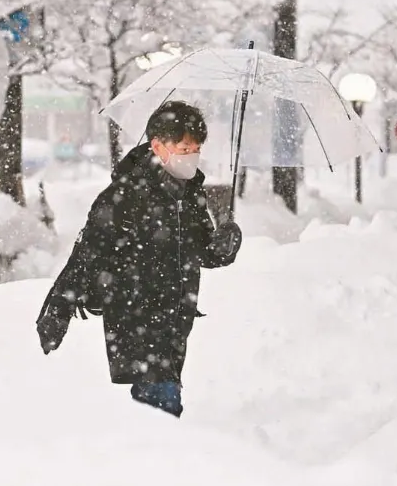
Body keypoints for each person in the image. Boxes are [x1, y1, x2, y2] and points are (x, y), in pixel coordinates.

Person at [35, 101, 243, 418]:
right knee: (163, 406)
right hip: (137, 320)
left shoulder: (190, 194)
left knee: (156, 415)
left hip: (176, 321)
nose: (192, 156)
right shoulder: (126, 195)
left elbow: (203, 252)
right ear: (158, 145)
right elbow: (88, 254)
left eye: (197, 149)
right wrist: (58, 309)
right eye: (184, 148)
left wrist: (224, 245)